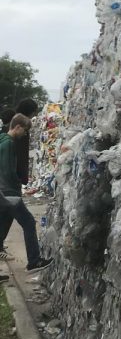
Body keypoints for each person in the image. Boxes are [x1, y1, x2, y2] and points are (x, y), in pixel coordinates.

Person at [0, 114, 51, 271]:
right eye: (25, 130)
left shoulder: (2, 139)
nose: (25, 134)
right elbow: (8, 171)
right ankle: (34, 261)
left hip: (3, 192)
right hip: (10, 193)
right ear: (17, 127)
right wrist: (18, 183)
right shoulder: (8, 144)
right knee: (29, 222)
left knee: (2, 228)